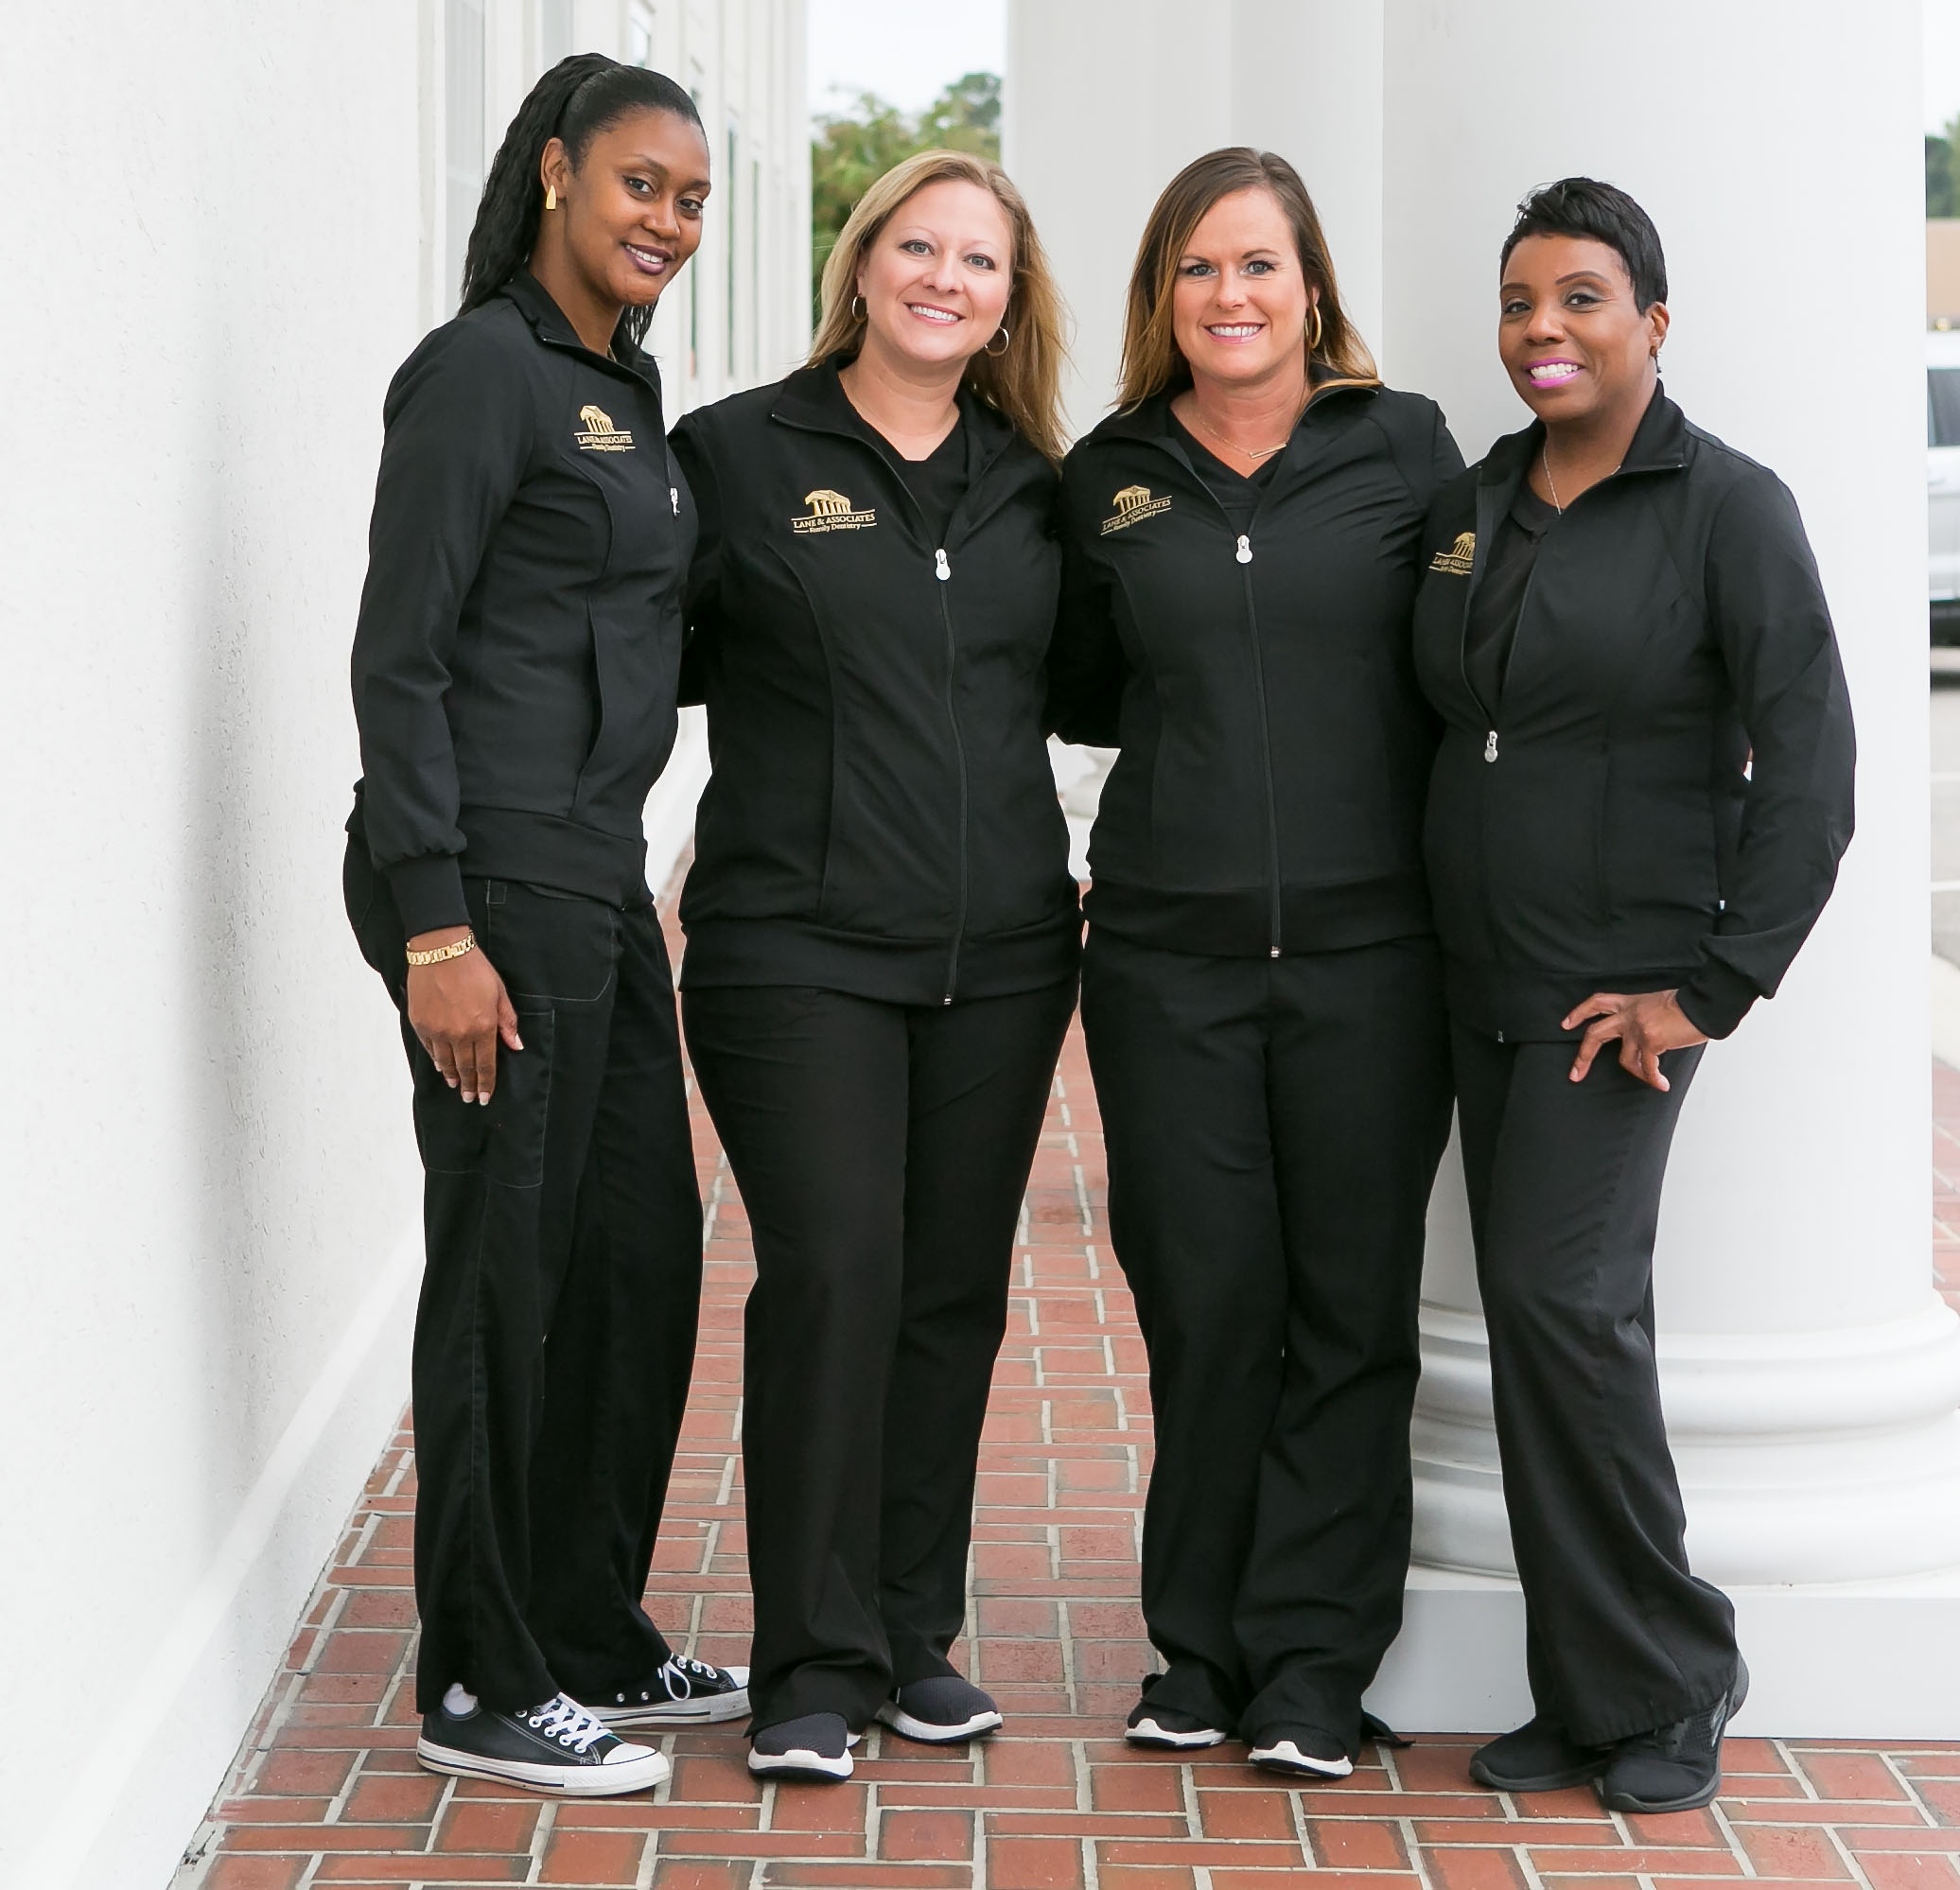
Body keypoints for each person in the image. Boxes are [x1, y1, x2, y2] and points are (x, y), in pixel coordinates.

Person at [1413, 177, 1854, 1813]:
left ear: (1653, 323)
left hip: (1616, 1003)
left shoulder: (1728, 506)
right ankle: (1590, 1685)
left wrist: (1710, 988)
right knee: (1553, 1331)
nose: (1545, 329)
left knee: (1560, 1307)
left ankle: (1673, 1671)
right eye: (1520, 301)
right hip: (1477, 981)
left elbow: (1811, 766)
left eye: (1582, 298)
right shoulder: (1481, 499)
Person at [344, 53, 746, 1797]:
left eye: (693, 199)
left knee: (636, 1262)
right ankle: (478, 1675)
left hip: (599, 882)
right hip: (489, 886)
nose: (669, 220)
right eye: (642, 183)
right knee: (503, 1278)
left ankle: (585, 1624)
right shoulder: (480, 373)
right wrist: (434, 929)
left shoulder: (626, 396)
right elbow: (400, 654)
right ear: (561, 172)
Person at [1046, 148, 1462, 1781]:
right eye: (1199, 267)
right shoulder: (1110, 472)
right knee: (1207, 1302)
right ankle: (1199, 1651)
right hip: (1168, 962)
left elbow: (1463, 662)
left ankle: (1312, 1667)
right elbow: (1083, 682)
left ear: (1311, 287)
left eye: (1259, 265)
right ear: (1164, 292)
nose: (1231, 295)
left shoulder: (1402, 446)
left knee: (1350, 1312)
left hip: (1376, 961)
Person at [670, 149, 1077, 1783]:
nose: (943, 278)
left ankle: (912, 1632)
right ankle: (812, 1661)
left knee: (948, 1293)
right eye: (919, 245)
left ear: (1009, 301)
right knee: (836, 1274)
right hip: (797, 952)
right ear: (863, 261)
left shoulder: (1034, 484)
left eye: (978, 260)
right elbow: (634, 654)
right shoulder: (738, 455)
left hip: (1004, 959)